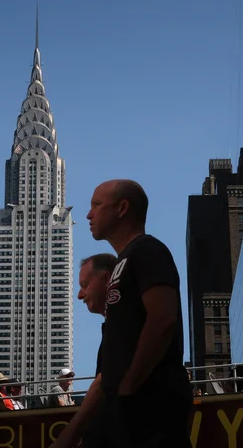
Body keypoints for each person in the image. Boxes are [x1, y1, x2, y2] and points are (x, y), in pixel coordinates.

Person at [63, 179, 192, 448]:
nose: (88, 214)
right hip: (126, 420)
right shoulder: (125, 261)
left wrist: (129, 385)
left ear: (122, 208)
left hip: (152, 416)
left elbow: (163, 319)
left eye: (96, 205)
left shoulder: (147, 250)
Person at [50, 253, 116, 448]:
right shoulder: (115, 324)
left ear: (106, 279)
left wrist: (64, 441)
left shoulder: (123, 323)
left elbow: (103, 384)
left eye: (85, 285)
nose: (80, 295)